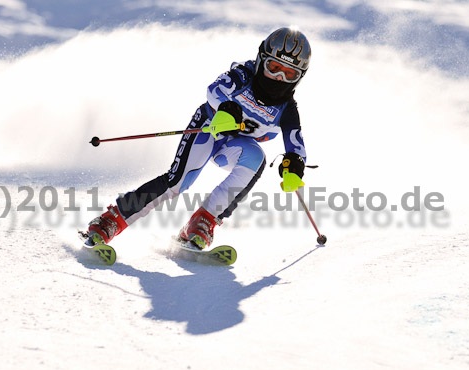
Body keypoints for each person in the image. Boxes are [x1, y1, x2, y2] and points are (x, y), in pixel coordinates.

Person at [87, 27, 311, 250]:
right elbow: (215, 90)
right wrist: (227, 108)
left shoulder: (287, 109)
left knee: (256, 158)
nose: (279, 77)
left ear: (298, 78)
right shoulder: (244, 75)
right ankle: (111, 220)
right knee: (177, 182)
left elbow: (296, 143)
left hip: (234, 147)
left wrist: (294, 165)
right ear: (262, 60)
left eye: (289, 74)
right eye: (274, 67)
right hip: (208, 130)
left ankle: (203, 221)